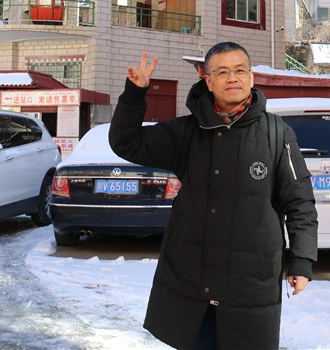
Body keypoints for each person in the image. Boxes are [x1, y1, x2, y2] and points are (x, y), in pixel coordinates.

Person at [109, 42, 318, 349]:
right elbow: (126, 142)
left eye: (239, 70)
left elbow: (299, 202)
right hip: (191, 281)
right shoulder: (186, 132)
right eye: (222, 72)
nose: (232, 78)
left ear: (251, 77)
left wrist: (301, 261)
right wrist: (135, 93)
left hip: (250, 283)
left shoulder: (277, 133)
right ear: (208, 81)